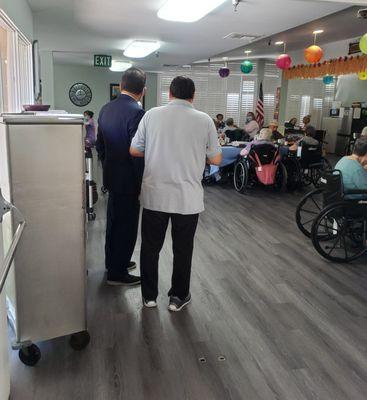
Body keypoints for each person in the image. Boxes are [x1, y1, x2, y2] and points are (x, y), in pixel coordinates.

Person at [130, 76, 222, 312]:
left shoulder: (151, 114)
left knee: (150, 248)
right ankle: (178, 297)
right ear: (193, 96)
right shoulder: (204, 120)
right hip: (187, 199)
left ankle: (149, 297)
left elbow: (134, 149)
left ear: (169, 94)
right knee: (183, 250)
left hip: (155, 196)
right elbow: (217, 159)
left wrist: (157, 151)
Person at [97, 67, 146, 286]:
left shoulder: (106, 108)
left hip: (111, 175)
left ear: (121, 85)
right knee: (126, 226)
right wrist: (141, 181)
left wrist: (108, 166)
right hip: (128, 179)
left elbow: (101, 145)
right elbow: (137, 153)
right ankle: (117, 273)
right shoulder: (137, 112)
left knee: (114, 222)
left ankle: (114, 262)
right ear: (143, 91)